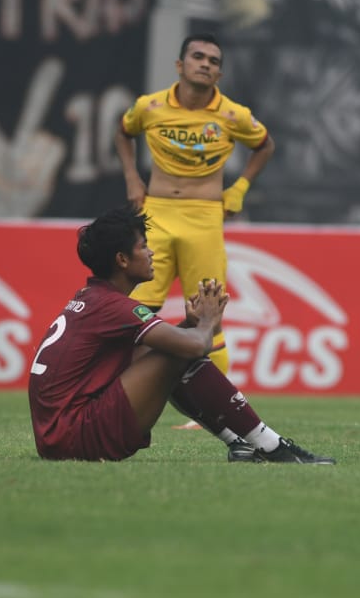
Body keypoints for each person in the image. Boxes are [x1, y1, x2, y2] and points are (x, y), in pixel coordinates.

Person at [27, 206, 334, 464]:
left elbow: (173, 344)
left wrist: (191, 323)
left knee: (169, 348)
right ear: (122, 260)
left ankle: (242, 444)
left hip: (57, 436)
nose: (151, 252)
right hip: (78, 436)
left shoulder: (93, 297)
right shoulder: (114, 307)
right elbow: (195, 346)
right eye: (143, 246)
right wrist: (207, 321)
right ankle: (270, 447)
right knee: (180, 351)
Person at [114, 33, 275, 395]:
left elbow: (264, 145)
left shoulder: (234, 115)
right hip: (155, 214)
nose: (205, 64)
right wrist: (131, 179)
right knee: (135, 312)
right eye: (198, 56)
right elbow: (124, 133)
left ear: (218, 74)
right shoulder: (149, 107)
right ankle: (121, 394)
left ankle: (212, 408)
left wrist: (240, 189)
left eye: (213, 61)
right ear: (180, 66)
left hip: (203, 218)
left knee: (208, 314)